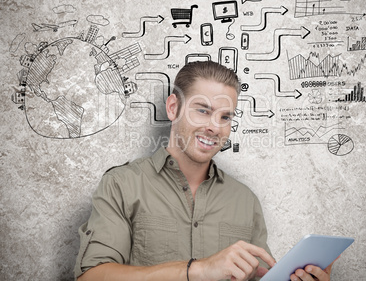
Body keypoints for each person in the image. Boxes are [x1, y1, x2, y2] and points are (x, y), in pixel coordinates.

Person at [74, 61, 335, 281]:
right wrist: (198, 269)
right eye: (203, 111)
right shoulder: (121, 185)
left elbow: (261, 275)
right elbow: (92, 276)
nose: (215, 127)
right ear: (173, 107)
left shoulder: (245, 200)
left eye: (225, 117)